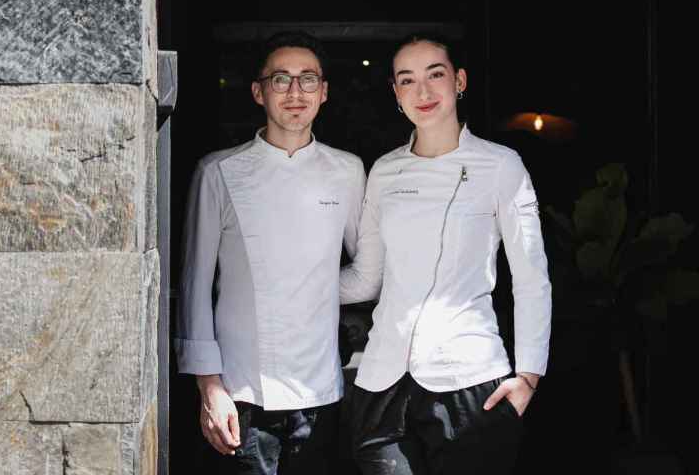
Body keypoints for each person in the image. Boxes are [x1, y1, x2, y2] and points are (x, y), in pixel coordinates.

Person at [340, 34, 552, 474]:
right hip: (381, 383)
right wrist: (286, 285)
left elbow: (532, 277)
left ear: (459, 81)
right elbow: (366, 279)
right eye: (407, 80)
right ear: (396, 94)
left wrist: (529, 375)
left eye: (435, 74)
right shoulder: (384, 170)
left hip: (469, 380)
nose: (423, 91)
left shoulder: (501, 165)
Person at [175, 31, 365, 474]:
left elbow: (369, 269)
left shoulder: (348, 170)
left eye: (308, 79)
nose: (295, 92)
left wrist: (310, 287)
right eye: (281, 80)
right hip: (241, 396)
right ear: (259, 92)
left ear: (325, 92)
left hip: (323, 393)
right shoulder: (218, 171)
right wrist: (210, 388)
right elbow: (195, 285)